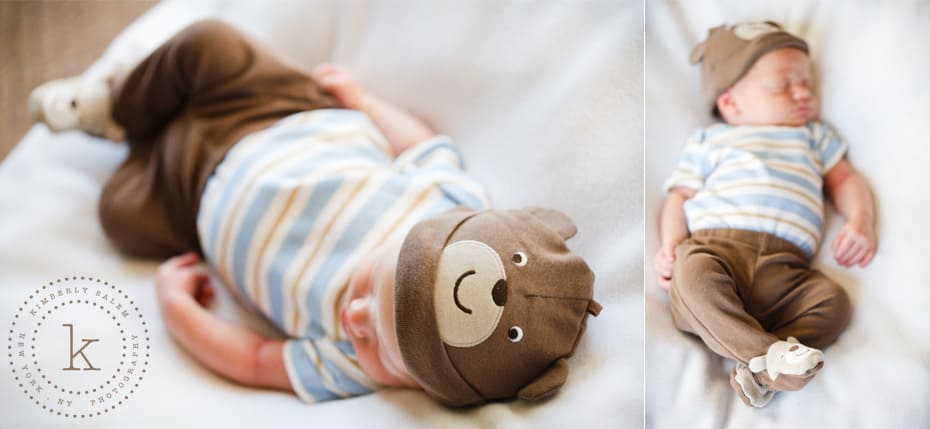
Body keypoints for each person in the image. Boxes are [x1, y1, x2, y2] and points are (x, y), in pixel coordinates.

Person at [30, 19, 601, 407]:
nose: (353, 320)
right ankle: (119, 106)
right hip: (273, 112)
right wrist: (361, 99)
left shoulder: (351, 369)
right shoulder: (451, 205)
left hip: (190, 204)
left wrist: (179, 313)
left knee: (120, 216)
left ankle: (141, 128)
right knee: (212, 44)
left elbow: (257, 359)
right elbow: (421, 144)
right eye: (370, 291)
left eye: (377, 348)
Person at [653, 21, 877, 407]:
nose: (803, 91)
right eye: (781, 85)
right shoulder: (711, 139)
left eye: (806, 81)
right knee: (692, 282)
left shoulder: (814, 136)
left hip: (787, 270)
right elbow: (680, 197)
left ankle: (762, 368)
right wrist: (671, 245)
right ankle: (764, 353)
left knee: (834, 302)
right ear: (730, 103)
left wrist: (861, 221)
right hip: (716, 252)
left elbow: (845, 179)